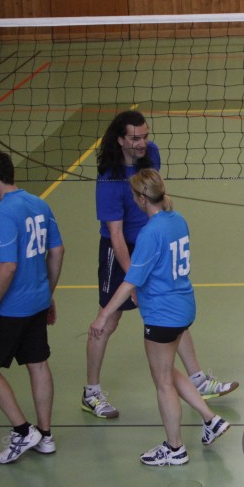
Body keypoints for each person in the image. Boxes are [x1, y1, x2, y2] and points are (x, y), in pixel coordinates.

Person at [84, 110, 237, 419]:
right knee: (108, 321)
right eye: (135, 138)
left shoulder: (151, 154)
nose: (143, 143)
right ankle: (91, 392)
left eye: (145, 136)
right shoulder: (110, 178)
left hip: (151, 242)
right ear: (120, 140)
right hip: (121, 249)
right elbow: (116, 235)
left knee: (169, 312)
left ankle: (198, 380)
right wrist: (134, 281)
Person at [90, 170, 230, 466]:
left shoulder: (149, 233)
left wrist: (103, 315)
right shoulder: (178, 220)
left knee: (162, 381)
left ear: (142, 199)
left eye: (134, 196)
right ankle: (210, 419)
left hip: (162, 314)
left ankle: (175, 448)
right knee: (166, 370)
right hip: (184, 307)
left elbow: (130, 281)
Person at [0, 151, 64, 464]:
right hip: (37, 301)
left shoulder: (2, 213)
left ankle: (24, 431)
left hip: (11, 307)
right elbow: (57, 250)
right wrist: (47, 293)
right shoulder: (39, 204)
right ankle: (46, 435)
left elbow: (7, 267)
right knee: (37, 363)